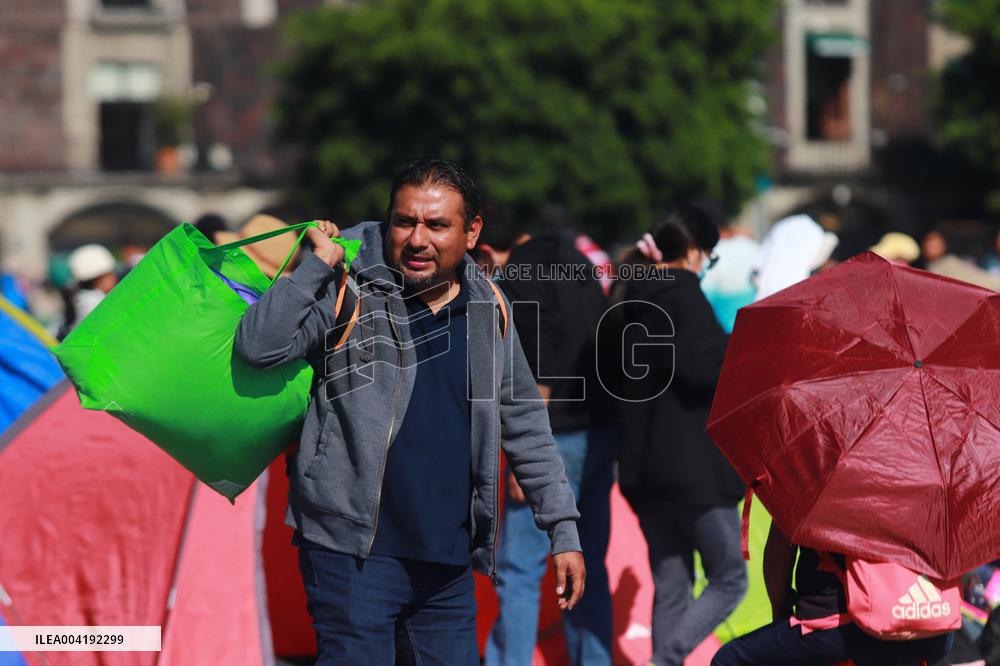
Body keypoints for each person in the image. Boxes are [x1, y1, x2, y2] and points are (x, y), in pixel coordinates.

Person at [234, 158, 585, 665]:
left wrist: (563, 530)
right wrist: (315, 267)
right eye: (405, 221)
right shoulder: (348, 286)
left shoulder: (492, 306)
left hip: (447, 563)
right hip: (351, 553)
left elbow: (527, 426)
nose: (418, 239)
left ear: (472, 232)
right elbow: (258, 348)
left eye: (437, 225)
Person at [474, 203, 617, 665]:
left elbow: (542, 354)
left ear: (488, 250)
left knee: (520, 569)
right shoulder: (573, 258)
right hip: (598, 432)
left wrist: (525, 453)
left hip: (555, 437)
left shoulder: (520, 272)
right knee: (583, 564)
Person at [615, 205, 747, 666]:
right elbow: (701, 369)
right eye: (707, 257)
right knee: (730, 578)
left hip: (641, 468)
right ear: (693, 252)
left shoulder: (630, 297)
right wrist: (740, 349)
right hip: (694, 471)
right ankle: (665, 659)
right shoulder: (684, 296)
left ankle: (663, 659)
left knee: (671, 584)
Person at [711, 524, 954, 665]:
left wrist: (781, 611)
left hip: (841, 626)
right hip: (929, 631)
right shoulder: (935, 465)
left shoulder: (821, 459)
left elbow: (779, 551)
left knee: (729, 660)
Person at [62, 243, 119, 333]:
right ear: (100, 278)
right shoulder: (96, 303)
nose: (114, 277)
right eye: (110, 274)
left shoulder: (79, 299)